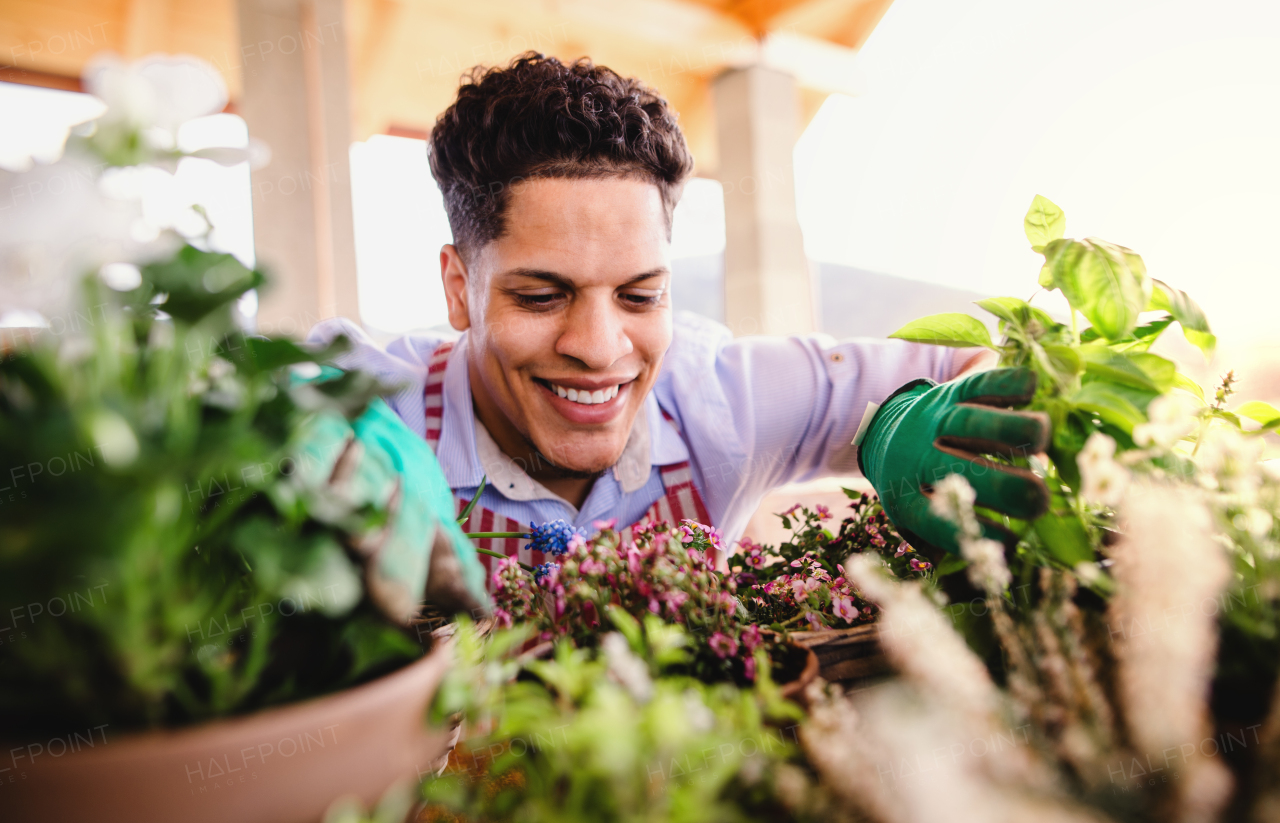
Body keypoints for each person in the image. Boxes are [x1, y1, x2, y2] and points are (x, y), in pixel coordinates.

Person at [310, 52, 1049, 590]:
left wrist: (895, 425)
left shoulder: (723, 403)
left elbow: (980, 372)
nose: (599, 349)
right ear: (460, 288)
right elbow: (226, 388)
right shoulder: (373, 409)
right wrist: (281, 444)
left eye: (640, 296)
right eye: (541, 297)